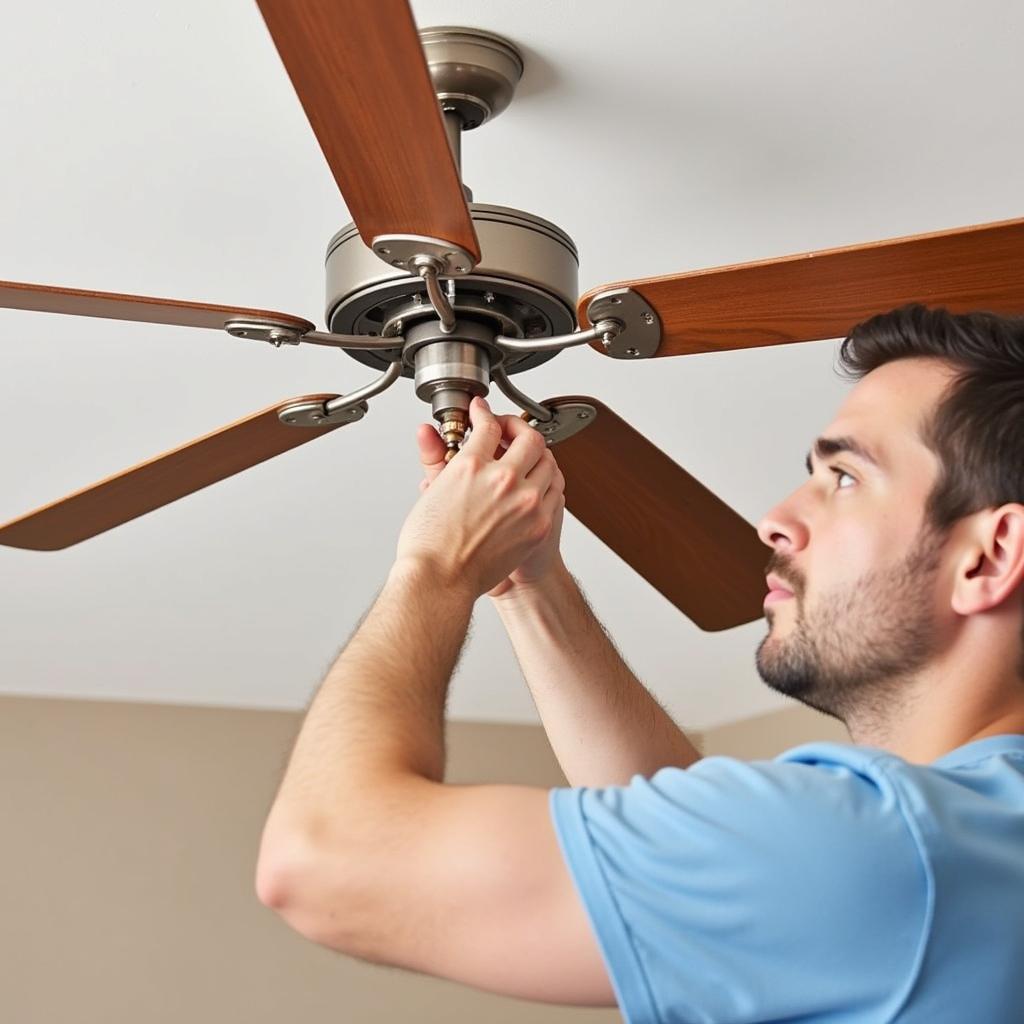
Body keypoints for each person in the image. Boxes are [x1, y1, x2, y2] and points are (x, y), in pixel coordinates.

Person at [256, 303, 1024, 1022]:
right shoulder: (976, 839)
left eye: (845, 477)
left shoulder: (892, 851)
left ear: (989, 556)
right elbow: (702, 849)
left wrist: (434, 564)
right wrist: (531, 587)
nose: (778, 519)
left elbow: (324, 860)